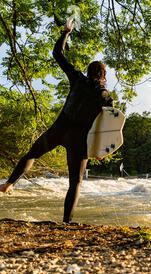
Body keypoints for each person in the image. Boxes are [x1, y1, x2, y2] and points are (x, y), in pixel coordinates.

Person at [0, 19, 113, 223]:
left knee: (32, 154)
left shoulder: (78, 79)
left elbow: (57, 54)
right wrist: (102, 151)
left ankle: (9, 183)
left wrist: (66, 33)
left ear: (89, 73)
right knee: (75, 182)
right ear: (103, 76)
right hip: (80, 140)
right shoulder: (105, 96)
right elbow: (108, 126)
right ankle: (66, 222)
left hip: (59, 129)